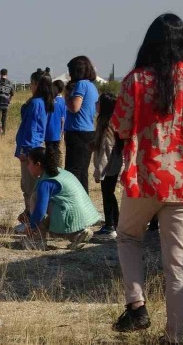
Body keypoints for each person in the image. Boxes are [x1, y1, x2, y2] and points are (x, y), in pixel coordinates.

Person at [110, 13, 183, 344]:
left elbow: (121, 126)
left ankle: (136, 304)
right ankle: (173, 337)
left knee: (129, 237)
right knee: (177, 262)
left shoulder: (135, 81)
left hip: (145, 179)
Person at [21, 147, 100, 250]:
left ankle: (37, 241)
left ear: (38, 164)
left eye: (29, 163)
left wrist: (30, 225)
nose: (27, 166)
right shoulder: (60, 172)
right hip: (83, 218)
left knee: (35, 198)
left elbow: (40, 212)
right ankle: (78, 234)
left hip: (70, 216)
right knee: (52, 204)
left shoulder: (46, 182)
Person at [14, 69, 54, 233]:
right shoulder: (41, 102)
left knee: (30, 188)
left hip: (30, 150)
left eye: (31, 83)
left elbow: (31, 129)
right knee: (29, 186)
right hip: (32, 148)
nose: (30, 86)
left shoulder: (37, 103)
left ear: (37, 84)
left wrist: (25, 150)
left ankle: (32, 222)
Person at [64, 56, 99, 192]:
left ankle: (75, 204)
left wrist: (67, 96)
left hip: (77, 132)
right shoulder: (91, 86)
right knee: (83, 171)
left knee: (73, 172)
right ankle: (84, 202)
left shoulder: (81, 85)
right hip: (88, 131)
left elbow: (75, 107)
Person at [91, 92, 122, 240]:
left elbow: (105, 150)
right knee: (110, 195)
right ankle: (117, 222)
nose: (96, 104)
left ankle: (110, 225)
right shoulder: (111, 122)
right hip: (112, 165)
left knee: (107, 195)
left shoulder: (107, 126)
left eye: (98, 102)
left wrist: (99, 172)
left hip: (109, 167)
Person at [45, 80, 66, 160]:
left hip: (48, 133)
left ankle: (49, 168)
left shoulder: (47, 102)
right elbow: (63, 119)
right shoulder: (62, 101)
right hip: (58, 133)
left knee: (48, 152)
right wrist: (62, 131)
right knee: (57, 152)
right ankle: (57, 168)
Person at [0, 68, 15, 135]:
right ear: (6, 74)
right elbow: (12, 94)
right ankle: (3, 135)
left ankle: (0, 130)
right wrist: (9, 101)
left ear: (0, 74)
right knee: (4, 121)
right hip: (6, 104)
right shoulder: (10, 83)